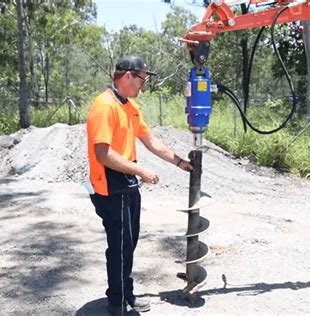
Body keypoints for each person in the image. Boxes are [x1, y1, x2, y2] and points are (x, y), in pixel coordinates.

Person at [86, 55, 193, 315]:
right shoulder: (105, 106)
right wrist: (141, 170)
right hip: (110, 185)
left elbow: (150, 140)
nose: (142, 86)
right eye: (141, 80)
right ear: (127, 76)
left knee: (129, 242)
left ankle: (126, 294)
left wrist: (180, 162)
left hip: (126, 181)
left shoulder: (129, 107)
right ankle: (117, 302)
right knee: (120, 245)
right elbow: (103, 154)